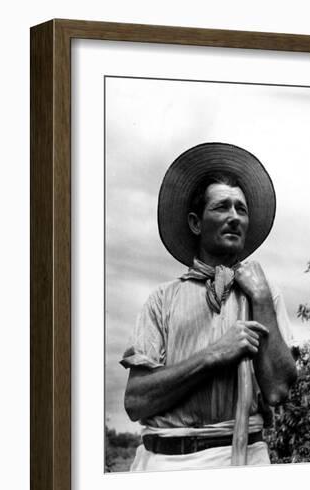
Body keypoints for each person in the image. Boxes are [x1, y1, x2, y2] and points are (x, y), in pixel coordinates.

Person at [121, 142, 297, 471]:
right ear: (196, 223)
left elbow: (277, 392)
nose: (234, 217)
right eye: (222, 207)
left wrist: (259, 297)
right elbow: (136, 402)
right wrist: (215, 355)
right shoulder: (162, 299)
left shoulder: (263, 295)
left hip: (243, 459)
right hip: (164, 462)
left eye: (241, 209)